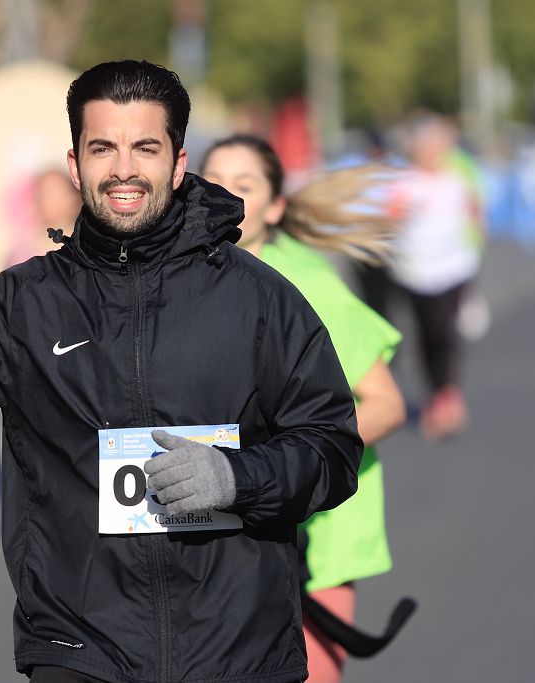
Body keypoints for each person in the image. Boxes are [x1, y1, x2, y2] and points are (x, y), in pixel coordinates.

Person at [0, 60, 363, 683]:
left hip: (235, 651)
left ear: (179, 162)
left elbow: (332, 449)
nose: (124, 169)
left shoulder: (258, 300)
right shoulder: (23, 304)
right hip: (80, 651)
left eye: (145, 147)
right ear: (75, 162)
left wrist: (236, 477)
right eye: (103, 147)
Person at [201, 134, 408, 683]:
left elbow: (385, 404)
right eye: (214, 181)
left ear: (274, 207)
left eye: (243, 187)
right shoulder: (178, 283)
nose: (226, 196)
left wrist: (285, 466)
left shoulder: (309, 288)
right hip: (221, 529)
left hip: (319, 529)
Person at [388, 115, 482, 440]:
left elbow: (473, 214)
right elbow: (391, 219)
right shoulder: (405, 182)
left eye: (437, 144)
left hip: (454, 269)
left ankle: (448, 396)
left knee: (447, 334)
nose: (431, 151)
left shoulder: (455, 179)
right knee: (428, 335)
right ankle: (438, 394)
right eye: (425, 145)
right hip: (416, 272)